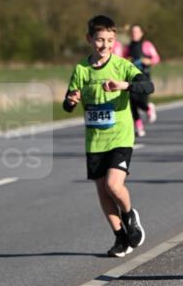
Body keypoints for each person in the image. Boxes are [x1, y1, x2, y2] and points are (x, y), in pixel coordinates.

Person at [62, 14, 153, 257]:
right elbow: (68, 103)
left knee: (114, 185)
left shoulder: (122, 66)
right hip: (95, 141)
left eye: (110, 40)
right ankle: (120, 238)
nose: (105, 45)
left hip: (120, 137)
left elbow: (148, 86)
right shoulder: (81, 70)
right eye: (100, 40)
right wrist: (71, 100)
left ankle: (130, 216)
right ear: (89, 39)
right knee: (103, 191)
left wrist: (125, 85)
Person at [121, 24, 160, 137]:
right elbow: (122, 61)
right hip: (131, 78)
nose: (134, 34)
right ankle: (139, 127)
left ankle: (148, 108)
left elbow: (156, 58)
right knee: (132, 103)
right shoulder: (128, 48)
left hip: (144, 78)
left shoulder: (147, 45)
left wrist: (148, 61)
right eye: (132, 32)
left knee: (141, 101)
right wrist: (127, 60)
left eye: (137, 32)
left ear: (141, 33)